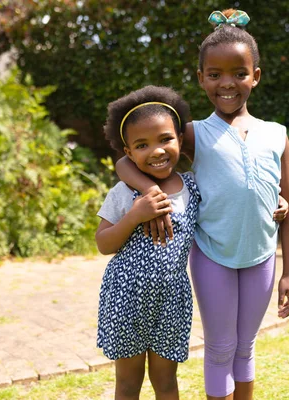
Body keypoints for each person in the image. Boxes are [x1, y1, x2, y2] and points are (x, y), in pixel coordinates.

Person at [116, 9, 289, 400]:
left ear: (256, 76)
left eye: (239, 73)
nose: (227, 83)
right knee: (220, 349)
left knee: (246, 347)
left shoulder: (276, 135)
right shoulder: (193, 133)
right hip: (213, 256)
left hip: (261, 259)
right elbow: (124, 159)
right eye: (214, 75)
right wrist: (150, 193)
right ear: (201, 79)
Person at [95, 85, 199, 400]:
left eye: (165, 139)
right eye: (142, 144)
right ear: (128, 153)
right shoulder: (125, 193)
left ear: (180, 139)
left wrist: (275, 197)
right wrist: (135, 216)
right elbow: (103, 243)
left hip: (172, 299)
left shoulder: (192, 186)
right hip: (127, 298)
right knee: (128, 384)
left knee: (166, 382)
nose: (156, 151)